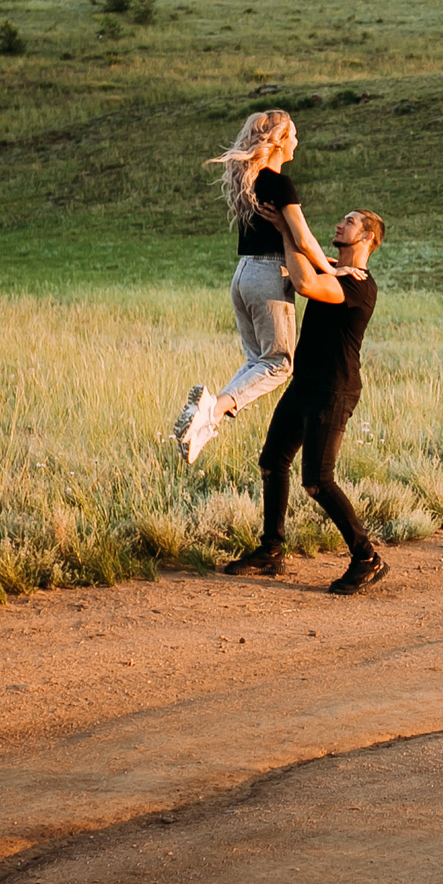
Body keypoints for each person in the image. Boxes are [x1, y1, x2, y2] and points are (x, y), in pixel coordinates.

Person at [225, 209, 388, 593]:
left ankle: (367, 557)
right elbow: (310, 261)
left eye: (349, 222)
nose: (339, 224)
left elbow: (304, 284)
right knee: (272, 461)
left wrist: (285, 227)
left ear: (367, 238)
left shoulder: (359, 285)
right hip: (305, 385)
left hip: (334, 390)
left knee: (317, 481)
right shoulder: (334, 269)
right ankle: (271, 553)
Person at [175, 111, 342, 464]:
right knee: (279, 364)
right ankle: (210, 410)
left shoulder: (251, 180)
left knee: (257, 361)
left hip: (243, 275)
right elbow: (302, 238)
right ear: (279, 140)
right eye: (294, 134)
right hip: (269, 275)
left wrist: (322, 260)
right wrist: (332, 268)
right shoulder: (280, 184)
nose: (298, 140)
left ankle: (203, 424)